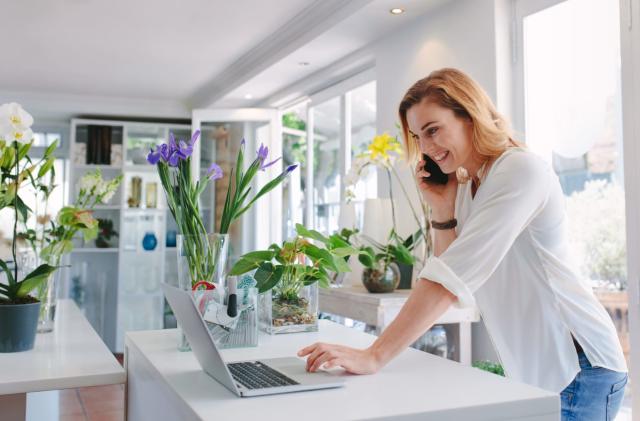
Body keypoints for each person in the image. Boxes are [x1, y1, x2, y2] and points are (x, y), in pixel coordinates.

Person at [298, 68, 628, 420]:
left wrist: (374, 354)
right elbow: (451, 267)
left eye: (433, 130)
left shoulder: (519, 171)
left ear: (469, 115)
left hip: (578, 363)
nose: (425, 148)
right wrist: (442, 209)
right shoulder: (472, 185)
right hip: (542, 364)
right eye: (417, 137)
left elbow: (450, 277)